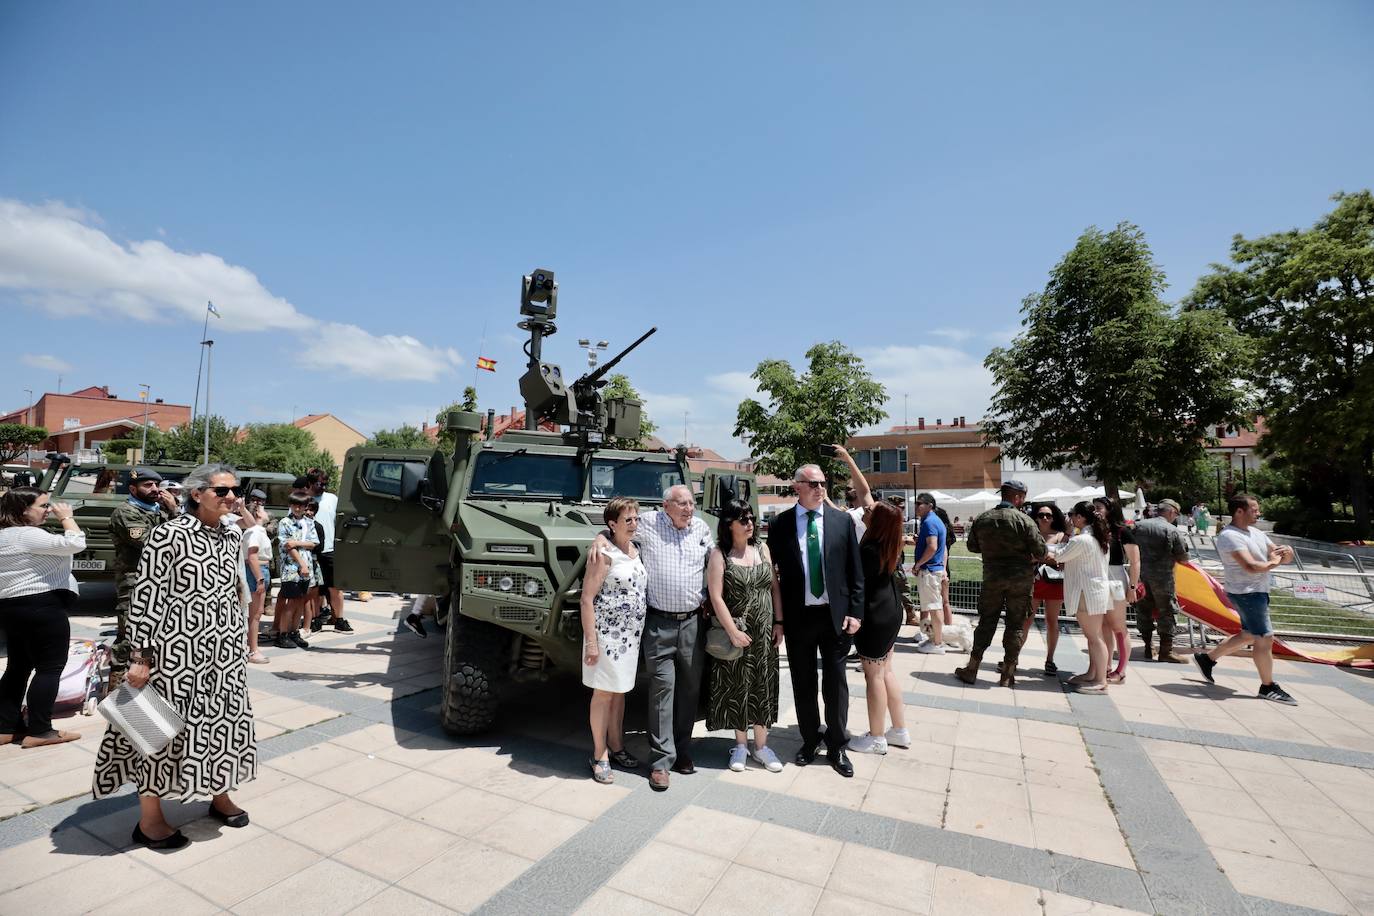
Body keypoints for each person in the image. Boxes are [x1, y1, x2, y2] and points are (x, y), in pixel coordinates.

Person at [92, 463, 257, 849]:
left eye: (235, 490)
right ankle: (150, 819)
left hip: (223, 655)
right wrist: (140, 657)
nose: (231, 497)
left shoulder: (231, 535)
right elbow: (146, 598)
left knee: (223, 726)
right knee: (159, 732)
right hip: (176, 655)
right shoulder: (168, 534)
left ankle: (219, 795)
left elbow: (232, 591)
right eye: (222, 490)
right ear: (197, 494)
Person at [768, 464, 864, 778]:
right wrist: (777, 620)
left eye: (823, 483)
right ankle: (810, 740)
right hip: (799, 617)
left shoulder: (841, 521)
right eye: (813, 483)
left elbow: (855, 571)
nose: (820, 488)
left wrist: (856, 612)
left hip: (835, 617)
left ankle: (837, 746)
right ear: (797, 486)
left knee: (836, 684)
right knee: (803, 682)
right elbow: (771, 575)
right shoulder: (781, 524)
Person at [636, 484, 713, 791]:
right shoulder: (647, 523)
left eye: (691, 503)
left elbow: (716, 560)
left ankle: (682, 751)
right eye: (682, 503)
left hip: (692, 623)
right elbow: (615, 529)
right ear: (666, 505)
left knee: (690, 691)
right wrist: (601, 540)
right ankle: (660, 762)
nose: (688, 509)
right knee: (661, 691)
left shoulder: (701, 528)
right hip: (658, 623)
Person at [0, 487, 85, 748]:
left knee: (18, 667)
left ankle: (5, 727)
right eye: (43, 505)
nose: (48, 510)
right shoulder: (26, 535)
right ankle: (40, 730)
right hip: (42, 607)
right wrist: (66, 517)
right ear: (24, 510)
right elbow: (76, 543)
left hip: (11, 607)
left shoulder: (4, 535)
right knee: (49, 668)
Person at [1194, 493, 1298, 705]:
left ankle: (1207, 659)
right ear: (1239, 511)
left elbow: (1282, 557)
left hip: (1259, 591)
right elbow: (1251, 566)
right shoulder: (1230, 536)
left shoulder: (1257, 533)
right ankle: (1267, 686)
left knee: (1249, 634)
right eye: (1254, 510)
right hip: (1246, 593)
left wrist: (1287, 552)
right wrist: (1274, 561)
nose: (1258, 513)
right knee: (1264, 637)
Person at [706, 500, 785, 773]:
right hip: (736, 632)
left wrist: (779, 622)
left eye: (751, 518)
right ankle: (740, 745)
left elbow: (774, 588)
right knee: (738, 686)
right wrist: (733, 631)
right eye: (743, 519)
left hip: (764, 633)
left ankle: (761, 746)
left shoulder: (762, 548)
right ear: (729, 525)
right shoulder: (719, 554)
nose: (750, 523)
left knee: (762, 683)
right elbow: (716, 597)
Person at [580, 497, 648, 784]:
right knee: (603, 695)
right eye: (627, 520)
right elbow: (586, 599)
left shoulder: (636, 550)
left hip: (630, 640)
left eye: (636, 519)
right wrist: (591, 643)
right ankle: (599, 754)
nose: (633, 524)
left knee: (619, 693)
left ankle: (617, 746)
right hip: (607, 638)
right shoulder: (603, 554)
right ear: (612, 524)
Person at [955, 481, 1046, 688]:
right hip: (1020, 581)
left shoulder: (983, 518)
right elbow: (1041, 552)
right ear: (1018, 497)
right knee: (1015, 625)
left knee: (986, 622)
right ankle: (1007, 674)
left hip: (992, 578)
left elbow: (972, 546)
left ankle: (972, 669)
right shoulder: (1025, 521)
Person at [108, 468, 179, 689]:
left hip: (161, 581)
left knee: (156, 633)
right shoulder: (126, 512)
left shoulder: (160, 511)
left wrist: (174, 511)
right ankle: (116, 687)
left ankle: (149, 681)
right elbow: (152, 544)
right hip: (134, 582)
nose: (155, 489)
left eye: (157, 485)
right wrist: (174, 514)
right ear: (132, 489)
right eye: (148, 485)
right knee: (130, 635)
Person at [847, 501, 909, 755]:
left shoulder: (870, 549)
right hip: (891, 610)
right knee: (886, 671)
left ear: (879, 521)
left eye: (871, 511)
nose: (866, 510)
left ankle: (876, 737)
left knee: (873, 675)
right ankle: (899, 730)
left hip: (875, 615)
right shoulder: (890, 543)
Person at [1054, 502, 1112, 693]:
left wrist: (1065, 534)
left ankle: (1100, 681)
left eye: (1072, 514)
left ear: (1080, 517)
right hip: (1092, 592)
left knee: (1094, 637)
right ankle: (1092, 674)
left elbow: (1060, 555)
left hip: (1086, 593)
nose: (1070, 518)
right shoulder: (1097, 538)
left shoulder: (1082, 540)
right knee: (1093, 636)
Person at [1132, 498, 1190, 663]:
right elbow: (1183, 558)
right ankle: (1166, 651)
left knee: (1143, 610)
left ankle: (1148, 647)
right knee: (1167, 612)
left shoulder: (1138, 526)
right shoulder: (1172, 530)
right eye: (1176, 514)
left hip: (1141, 576)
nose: (1175, 517)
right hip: (1163, 579)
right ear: (1171, 512)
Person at [1094, 497, 1138, 684]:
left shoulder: (1122, 531)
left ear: (1109, 510)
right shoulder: (1095, 530)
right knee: (1104, 625)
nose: (1095, 510)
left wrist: (1133, 587)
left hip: (1116, 580)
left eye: (1099, 507)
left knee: (1118, 626)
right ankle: (1106, 666)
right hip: (1100, 579)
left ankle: (1121, 670)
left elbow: (1135, 561)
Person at [1023, 503, 1068, 675]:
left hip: (1054, 582)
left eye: (1048, 515)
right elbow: (1026, 557)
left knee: (1052, 621)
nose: (1045, 518)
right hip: (1033, 581)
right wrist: (1048, 558)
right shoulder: (1030, 534)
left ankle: (1050, 659)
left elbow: (1062, 560)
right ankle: (1013, 657)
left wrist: (1040, 558)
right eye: (1041, 515)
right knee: (1027, 620)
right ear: (1035, 517)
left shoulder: (1061, 536)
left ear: (1054, 517)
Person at [308, 468, 351, 633]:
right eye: (320, 484)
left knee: (335, 587)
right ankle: (316, 619)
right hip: (311, 552)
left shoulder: (332, 499)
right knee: (315, 589)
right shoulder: (303, 500)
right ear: (311, 483)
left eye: (326, 484)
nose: (324, 487)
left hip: (330, 550)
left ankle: (339, 619)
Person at [272, 493, 317, 649]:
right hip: (291, 569)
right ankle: (282, 634)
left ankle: (293, 632)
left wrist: (297, 543)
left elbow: (313, 543)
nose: (297, 508)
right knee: (291, 601)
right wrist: (302, 564)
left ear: (306, 507)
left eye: (301, 505)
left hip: (307, 568)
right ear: (290, 505)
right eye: (294, 505)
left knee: (300, 601)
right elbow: (287, 546)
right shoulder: (285, 522)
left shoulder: (309, 522)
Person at [911, 493, 948, 655]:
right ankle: (935, 639)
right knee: (934, 606)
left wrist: (918, 564)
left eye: (920, 503)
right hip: (933, 570)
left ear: (930, 505)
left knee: (934, 607)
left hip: (929, 571)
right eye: (916, 503)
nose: (916, 506)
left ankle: (937, 643)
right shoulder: (934, 521)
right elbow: (941, 547)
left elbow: (932, 547)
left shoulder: (929, 522)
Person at [242, 500, 272, 664]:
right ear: (258, 513)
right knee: (255, 614)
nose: (266, 512)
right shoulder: (254, 532)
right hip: (257, 571)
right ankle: (252, 650)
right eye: (263, 509)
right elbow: (252, 556)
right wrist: (260, 578)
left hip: (260, 569)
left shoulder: (258, 531)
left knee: (257, 612)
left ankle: (251, 647)